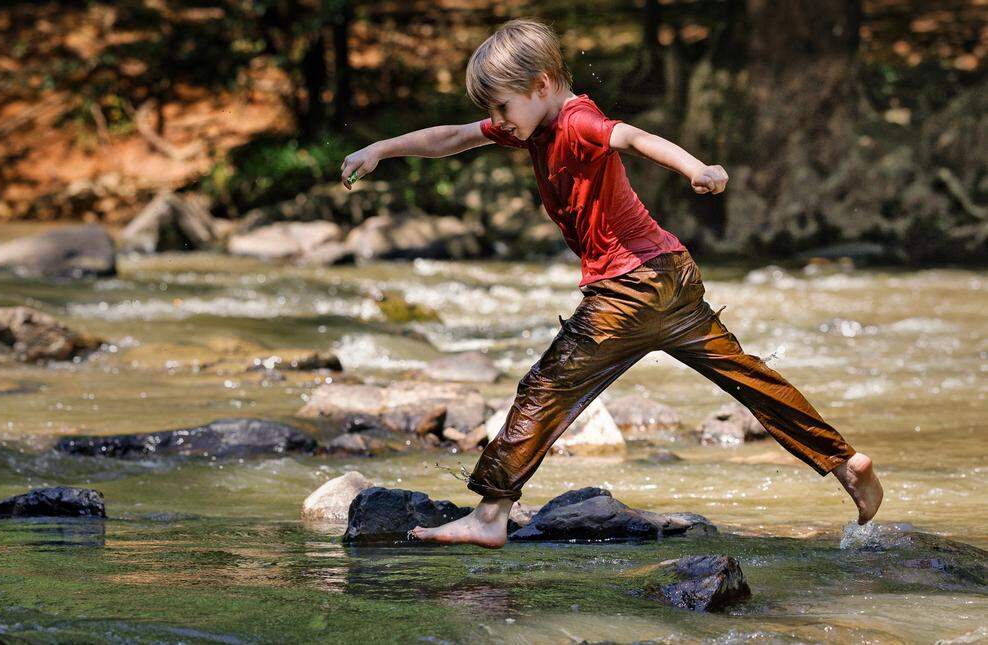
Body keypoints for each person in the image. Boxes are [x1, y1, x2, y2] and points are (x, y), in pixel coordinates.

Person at [338, 18, 883, 548]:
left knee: (546, 390)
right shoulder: (535, 125)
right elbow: (454, 137)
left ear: (542, 84)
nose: (497, 121)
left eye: (502, 107)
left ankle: (489, 514)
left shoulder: (574, 122)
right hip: (671, 274)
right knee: (744, 375)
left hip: (625, 290)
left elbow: (633, 137)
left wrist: (697, 168)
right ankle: (843, 461)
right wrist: (381, 149)